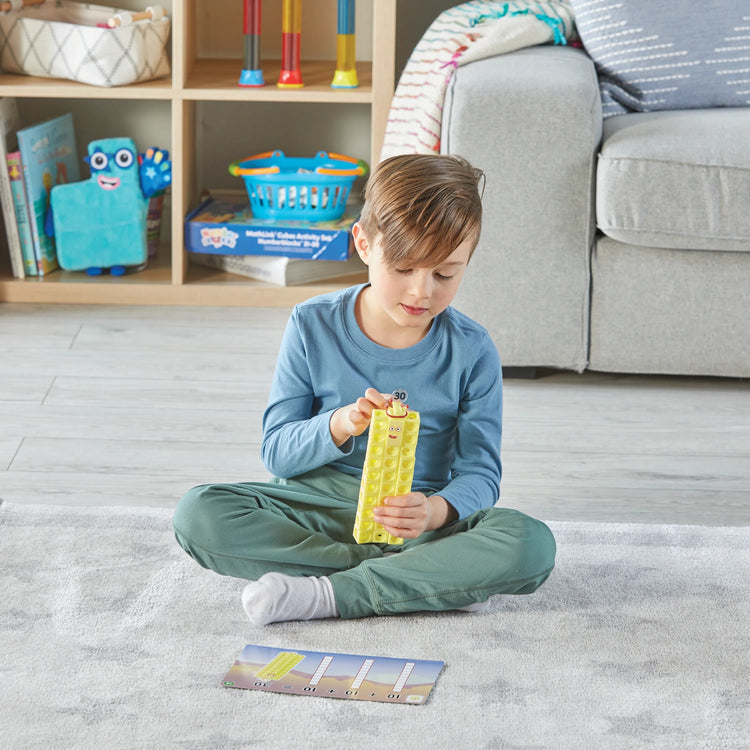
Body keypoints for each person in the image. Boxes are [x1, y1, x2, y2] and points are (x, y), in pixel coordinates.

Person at [172, 154, 556, 624]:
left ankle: (329, 594)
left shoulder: (472, 350)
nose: (421, 293)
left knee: (530, 543)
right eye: (404, 268)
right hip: (315, 510)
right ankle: (428, 582)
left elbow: (481, 474)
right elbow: (277, 453)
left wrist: (435, 511)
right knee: (199, 513)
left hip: (417, 521)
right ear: (364, 243)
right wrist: (339, 424)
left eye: (445, 274)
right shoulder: (312, 324)